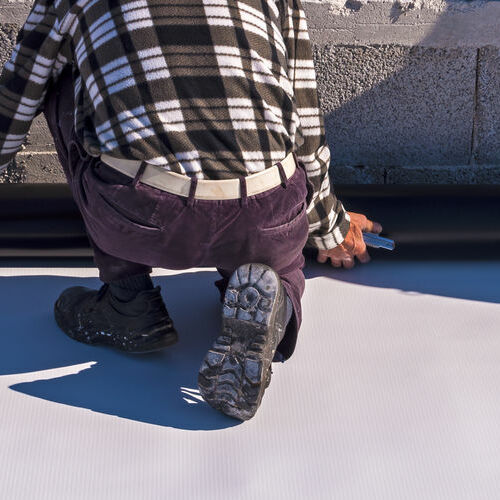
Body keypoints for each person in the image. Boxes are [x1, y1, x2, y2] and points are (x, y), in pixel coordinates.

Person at [0, 0, 382, 420]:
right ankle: (276, 304)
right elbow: (304, 123)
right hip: (267, 212)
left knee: (61, 77)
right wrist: (329, 225)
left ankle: (128, 301)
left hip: (142, 214)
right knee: (277, 261)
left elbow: (18, 94)